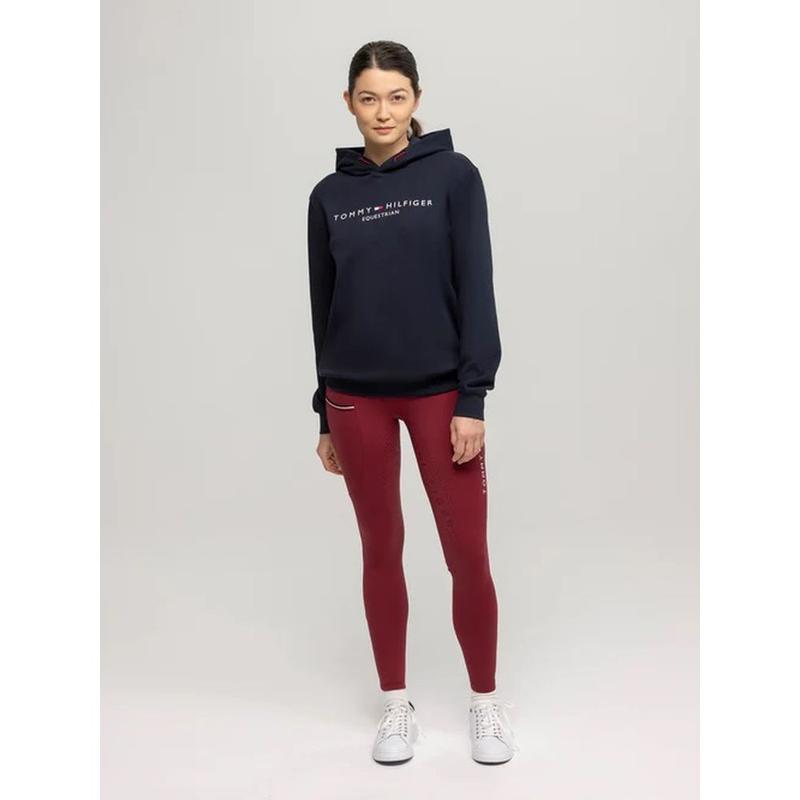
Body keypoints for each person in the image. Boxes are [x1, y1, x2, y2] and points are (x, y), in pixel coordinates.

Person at [306, 40, 518, 765]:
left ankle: (485, 704)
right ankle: (395, 705)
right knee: (380, 549)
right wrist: (322, 409)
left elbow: (478, 286)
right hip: (353, 398)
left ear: (417, 100)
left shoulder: (454, 177)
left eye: (396, 97)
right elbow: (323, 305)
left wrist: (473, 397)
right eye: (368, 98)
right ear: (349, 103)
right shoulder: (328, 196)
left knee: (467, 553)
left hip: (439, 394)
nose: (383, 112)